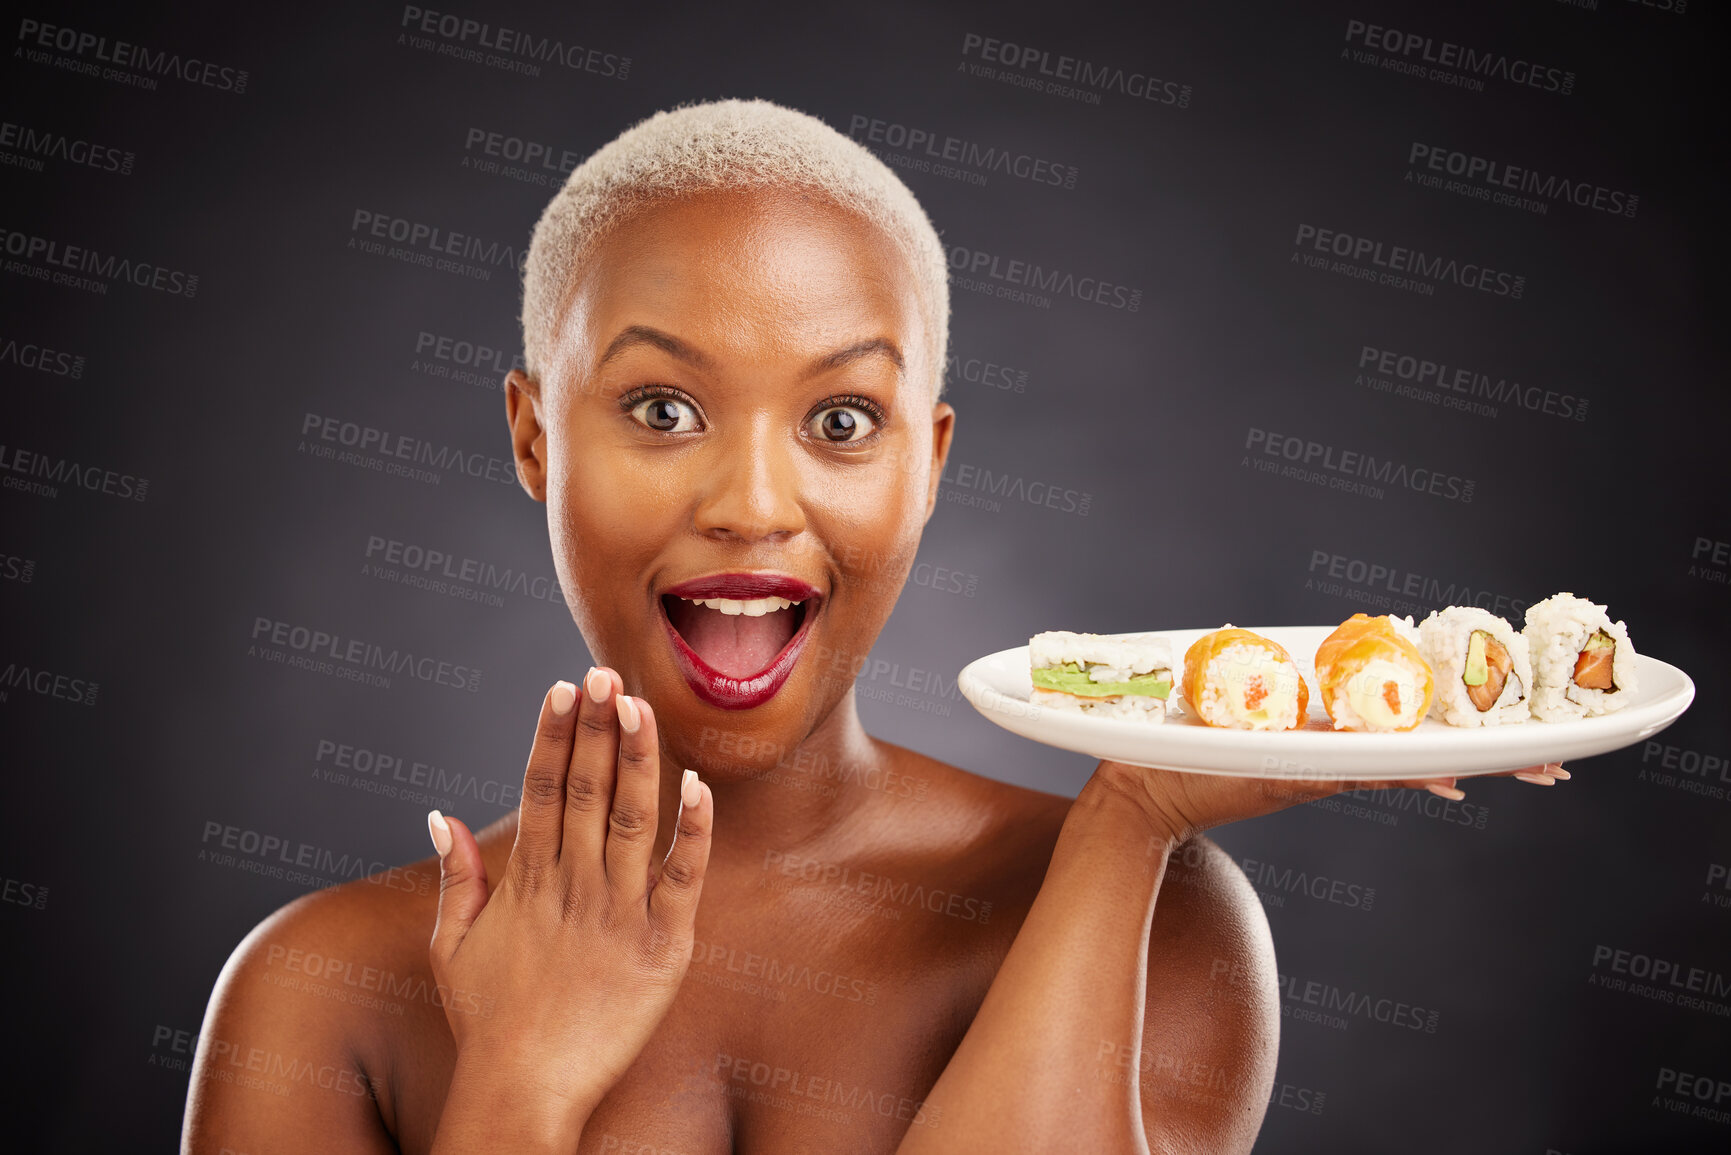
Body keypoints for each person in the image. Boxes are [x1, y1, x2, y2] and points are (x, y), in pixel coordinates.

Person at [181, 97, 1565, 1154]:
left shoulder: (1158, 922)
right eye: (663, 410)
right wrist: (519, 1083)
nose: (753, 503)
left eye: (842, 420)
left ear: (932, 461)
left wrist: (1131, 820)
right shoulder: (322, 994)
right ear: (537, 437)